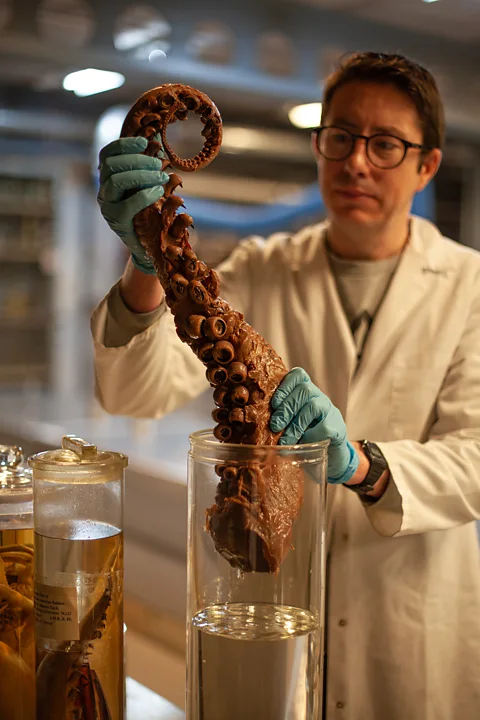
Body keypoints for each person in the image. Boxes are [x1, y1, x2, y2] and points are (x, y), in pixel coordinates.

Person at [92, 52, 480, 719]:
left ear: (427, 166)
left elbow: (474, 455)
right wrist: (147, 267)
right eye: (342, 137)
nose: (357, 162)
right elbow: (134, 394)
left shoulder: (470, 287)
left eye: (385, 144)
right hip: (271, 624)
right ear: (318, 145)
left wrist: (363, 464)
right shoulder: (263, 271)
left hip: (410, 631)